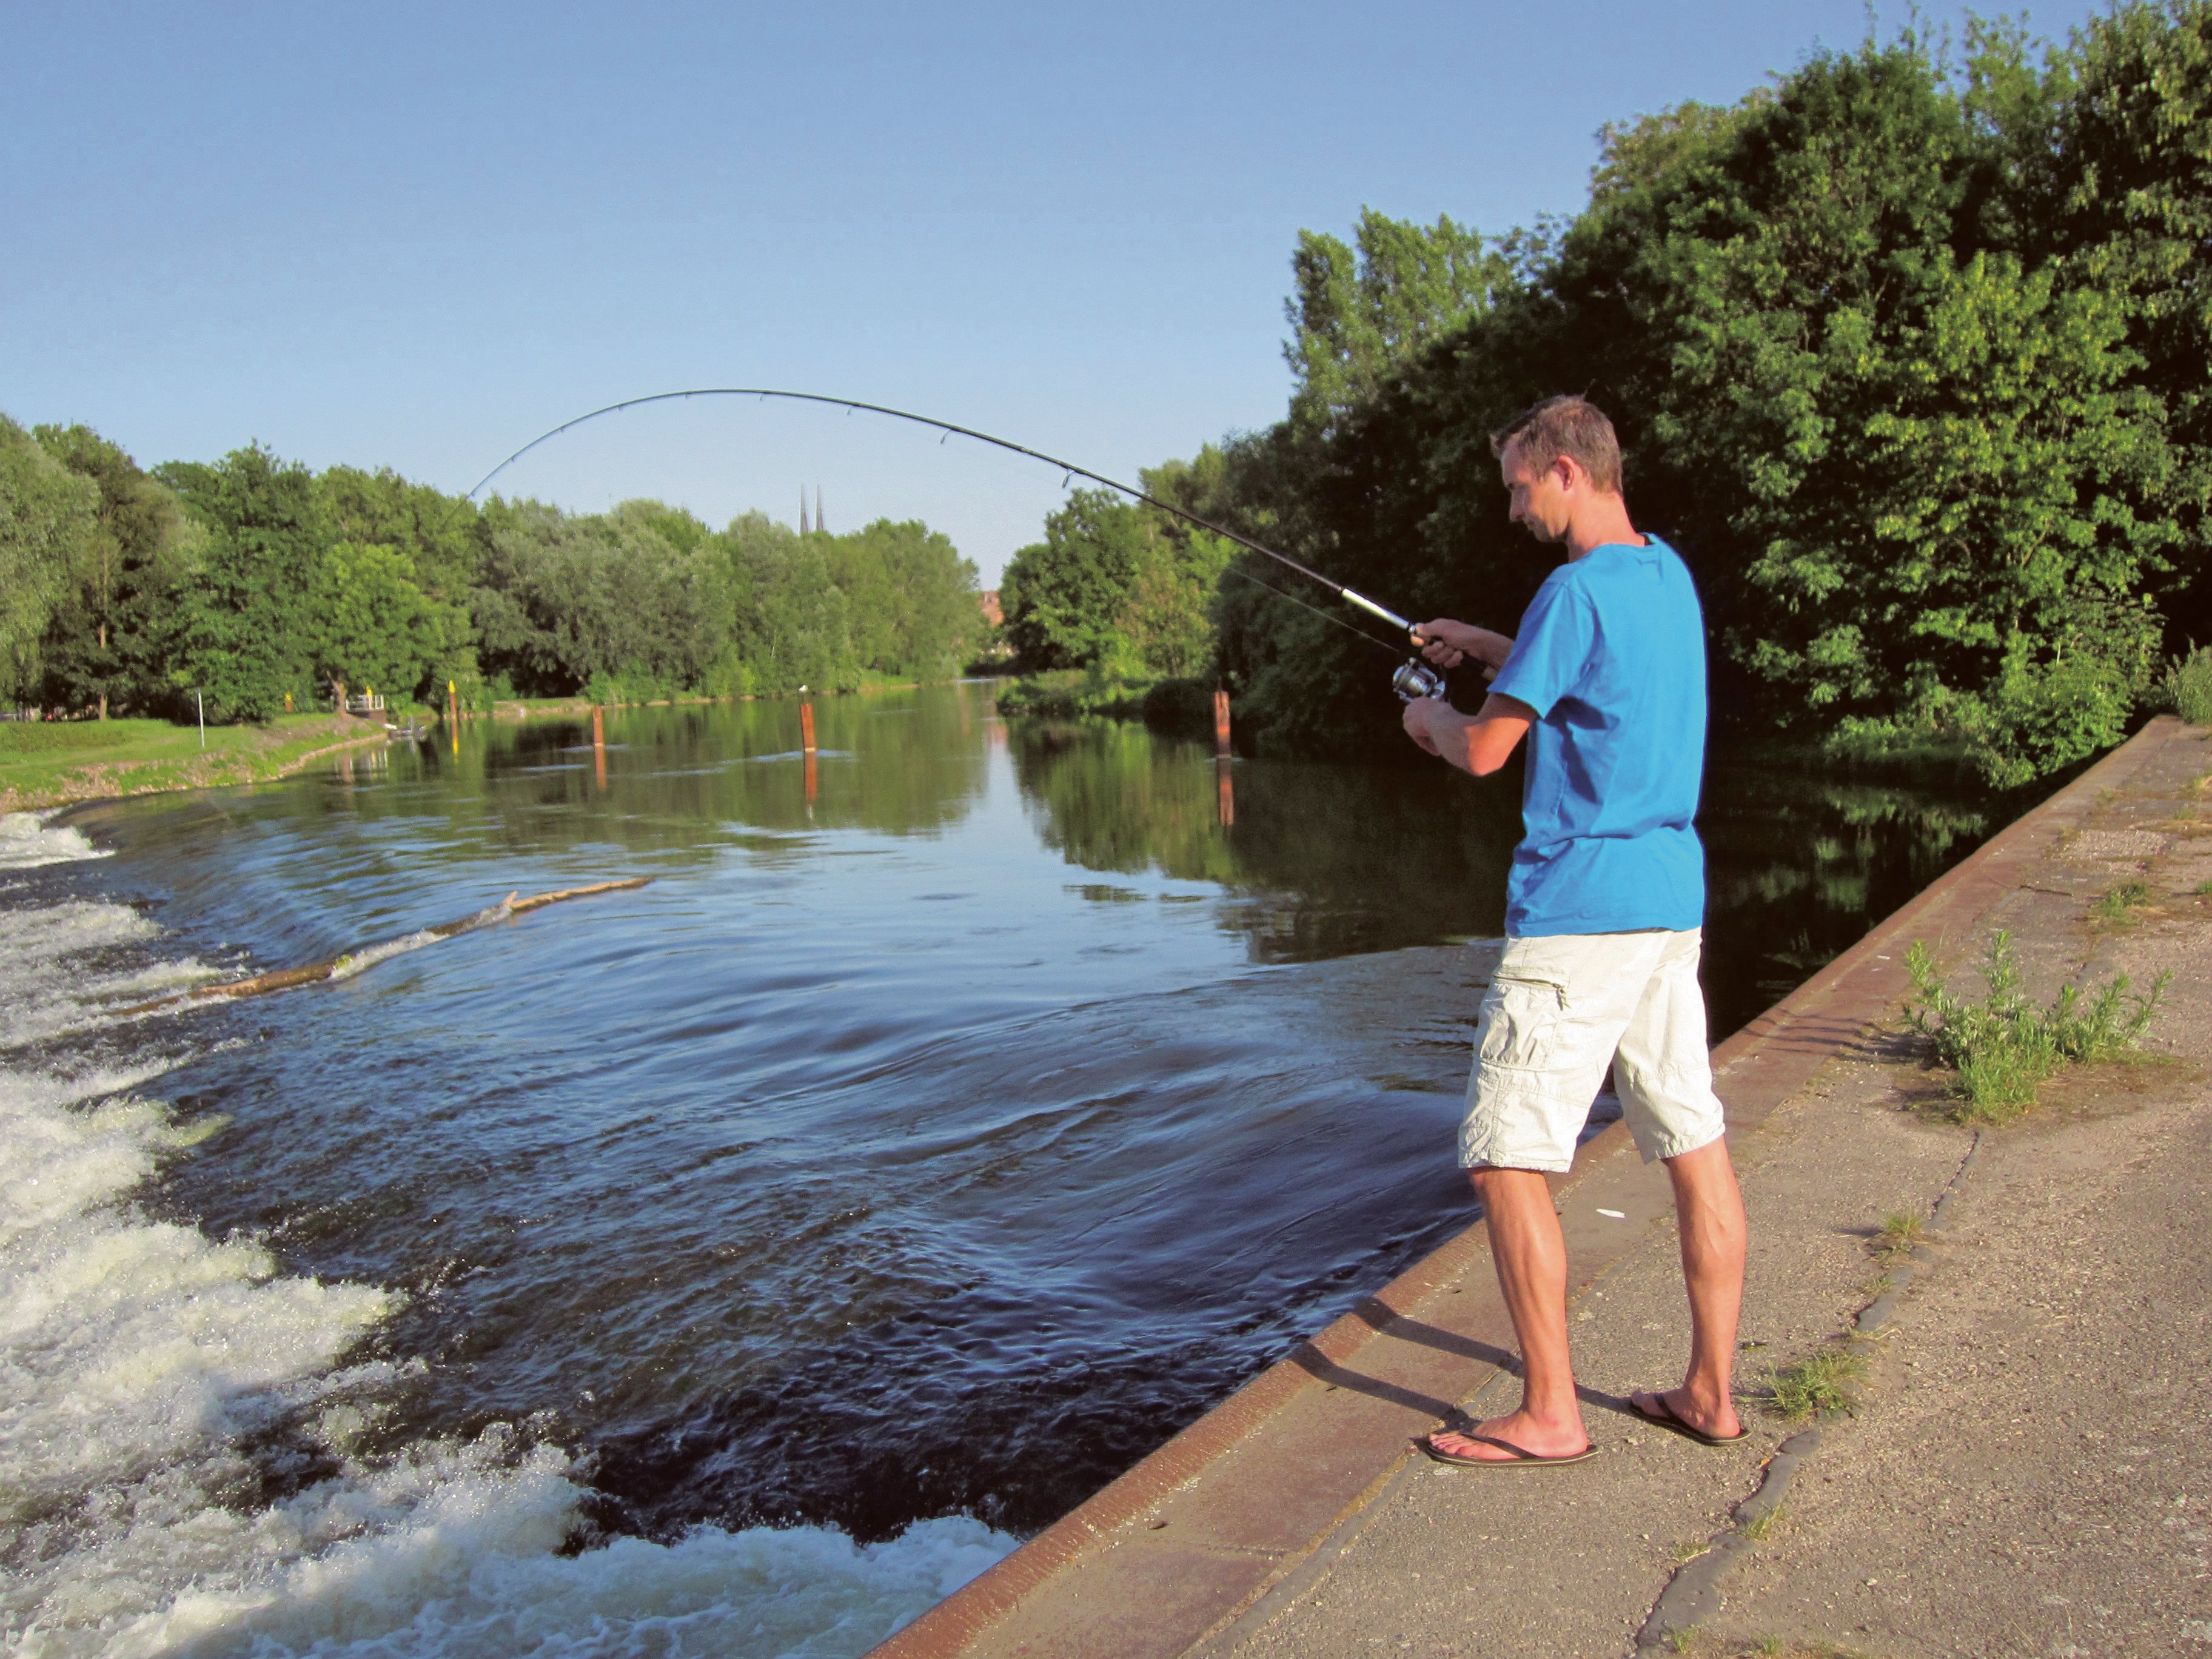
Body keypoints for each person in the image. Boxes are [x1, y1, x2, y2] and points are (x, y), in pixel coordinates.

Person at [1399, 395, 1749, 1467]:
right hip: (1667, 906)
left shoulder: (1571, 589)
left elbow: (1486, 754)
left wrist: (1429, 719)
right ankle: (1711, 1395)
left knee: (1506, 1159)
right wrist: (1483, 641)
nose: (1512, 510)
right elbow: (1594, 679)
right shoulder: (1663, 573)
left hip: (1576, 920)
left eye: (1516, 485)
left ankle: (1551, 1413)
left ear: (1561, 469)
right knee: (1693, 1142)